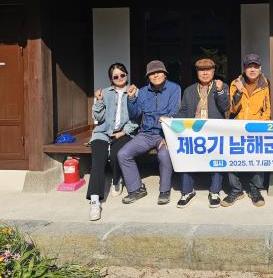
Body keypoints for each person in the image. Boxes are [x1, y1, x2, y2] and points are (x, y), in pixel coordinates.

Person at [118, 60, 181, 205]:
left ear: (165, 74)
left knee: (164, 155)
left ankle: (164, 190)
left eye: (159, 72)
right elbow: (134, 114)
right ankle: (136, 189)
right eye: (152, 73)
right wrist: (131, 98)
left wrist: (168, 134)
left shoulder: (174, 88)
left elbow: (175, 111)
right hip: (145, 134)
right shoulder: (143, 92)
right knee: (123, 154)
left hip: (164, 133)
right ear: (148, 77)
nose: (155, 75)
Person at [174, 58, 229, 209]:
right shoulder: (189, 90)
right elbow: (183, 111)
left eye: (208, 69)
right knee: (185, 154)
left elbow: (225, 107)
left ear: (213, 71)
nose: (205, 73)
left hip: (214, 132)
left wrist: (220, 91)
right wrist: (170, 120)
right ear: (197, 72)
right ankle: (187, 191)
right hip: (194, 131)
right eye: (201, 70)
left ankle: (215, 191)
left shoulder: (221, 86)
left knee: (217, 156)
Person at [87, 63, 138, 221]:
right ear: (111, 79)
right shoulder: (104, 93)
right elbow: (98, 117)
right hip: (103, 132)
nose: (119, 78)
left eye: (122, 75)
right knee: (98, 160)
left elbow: (136, 117)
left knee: (117, 154)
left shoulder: (134, 92)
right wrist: (99, 100)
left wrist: (123, 132)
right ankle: (95, 201)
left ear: (126, 75)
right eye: (115, 76)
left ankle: (117, 179)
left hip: (123, 132)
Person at [222, 54, 271, 208]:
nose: (252, 69)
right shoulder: (235, 83)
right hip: (238, 126)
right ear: (244, 68)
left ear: (260, 68)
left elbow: (267, 109)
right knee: (232, 156)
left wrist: (261, 125)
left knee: (258, 157)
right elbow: (232, 109)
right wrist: (238, 92)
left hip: (256, 127)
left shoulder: (265, 83)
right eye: (249, 66)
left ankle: (255, 189)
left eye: (255, 66)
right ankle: (236, 190)